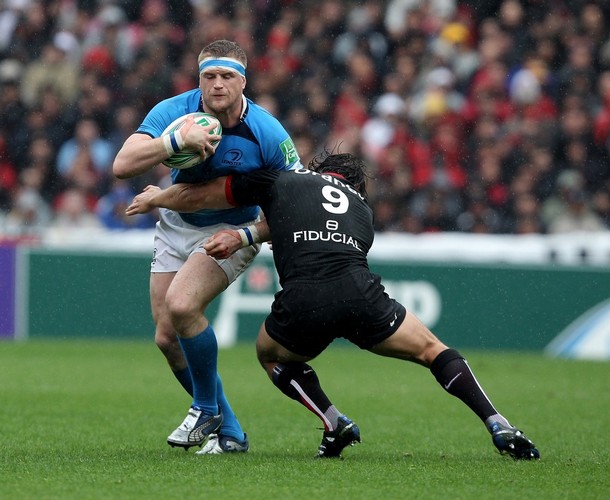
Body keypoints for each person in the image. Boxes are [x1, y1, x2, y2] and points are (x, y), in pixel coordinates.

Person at [125, 151, 540, 460]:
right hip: (361, 294)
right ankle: (497, 422)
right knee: (434, 350)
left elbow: (211, 195)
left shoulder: (284, 179)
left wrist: (163, 198)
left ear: (320, 169)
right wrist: (250, 236)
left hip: (306, 298)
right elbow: (309, 226)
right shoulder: (363, 211)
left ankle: (333, 420)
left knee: (270, 356)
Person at [112, 39, 301, 454]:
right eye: (209, 76)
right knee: (167, 337)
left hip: (231, 230)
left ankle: (204, 408)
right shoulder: (174, 111)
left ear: (243, 82)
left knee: (182, 306)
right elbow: (122, 165)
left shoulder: (268, 132)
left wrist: (251, 235)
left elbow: (297, 200)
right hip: (177, 223)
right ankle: (229, 431)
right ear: (198, 79)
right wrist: (174, 143)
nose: (217, 84)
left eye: (227, 76)